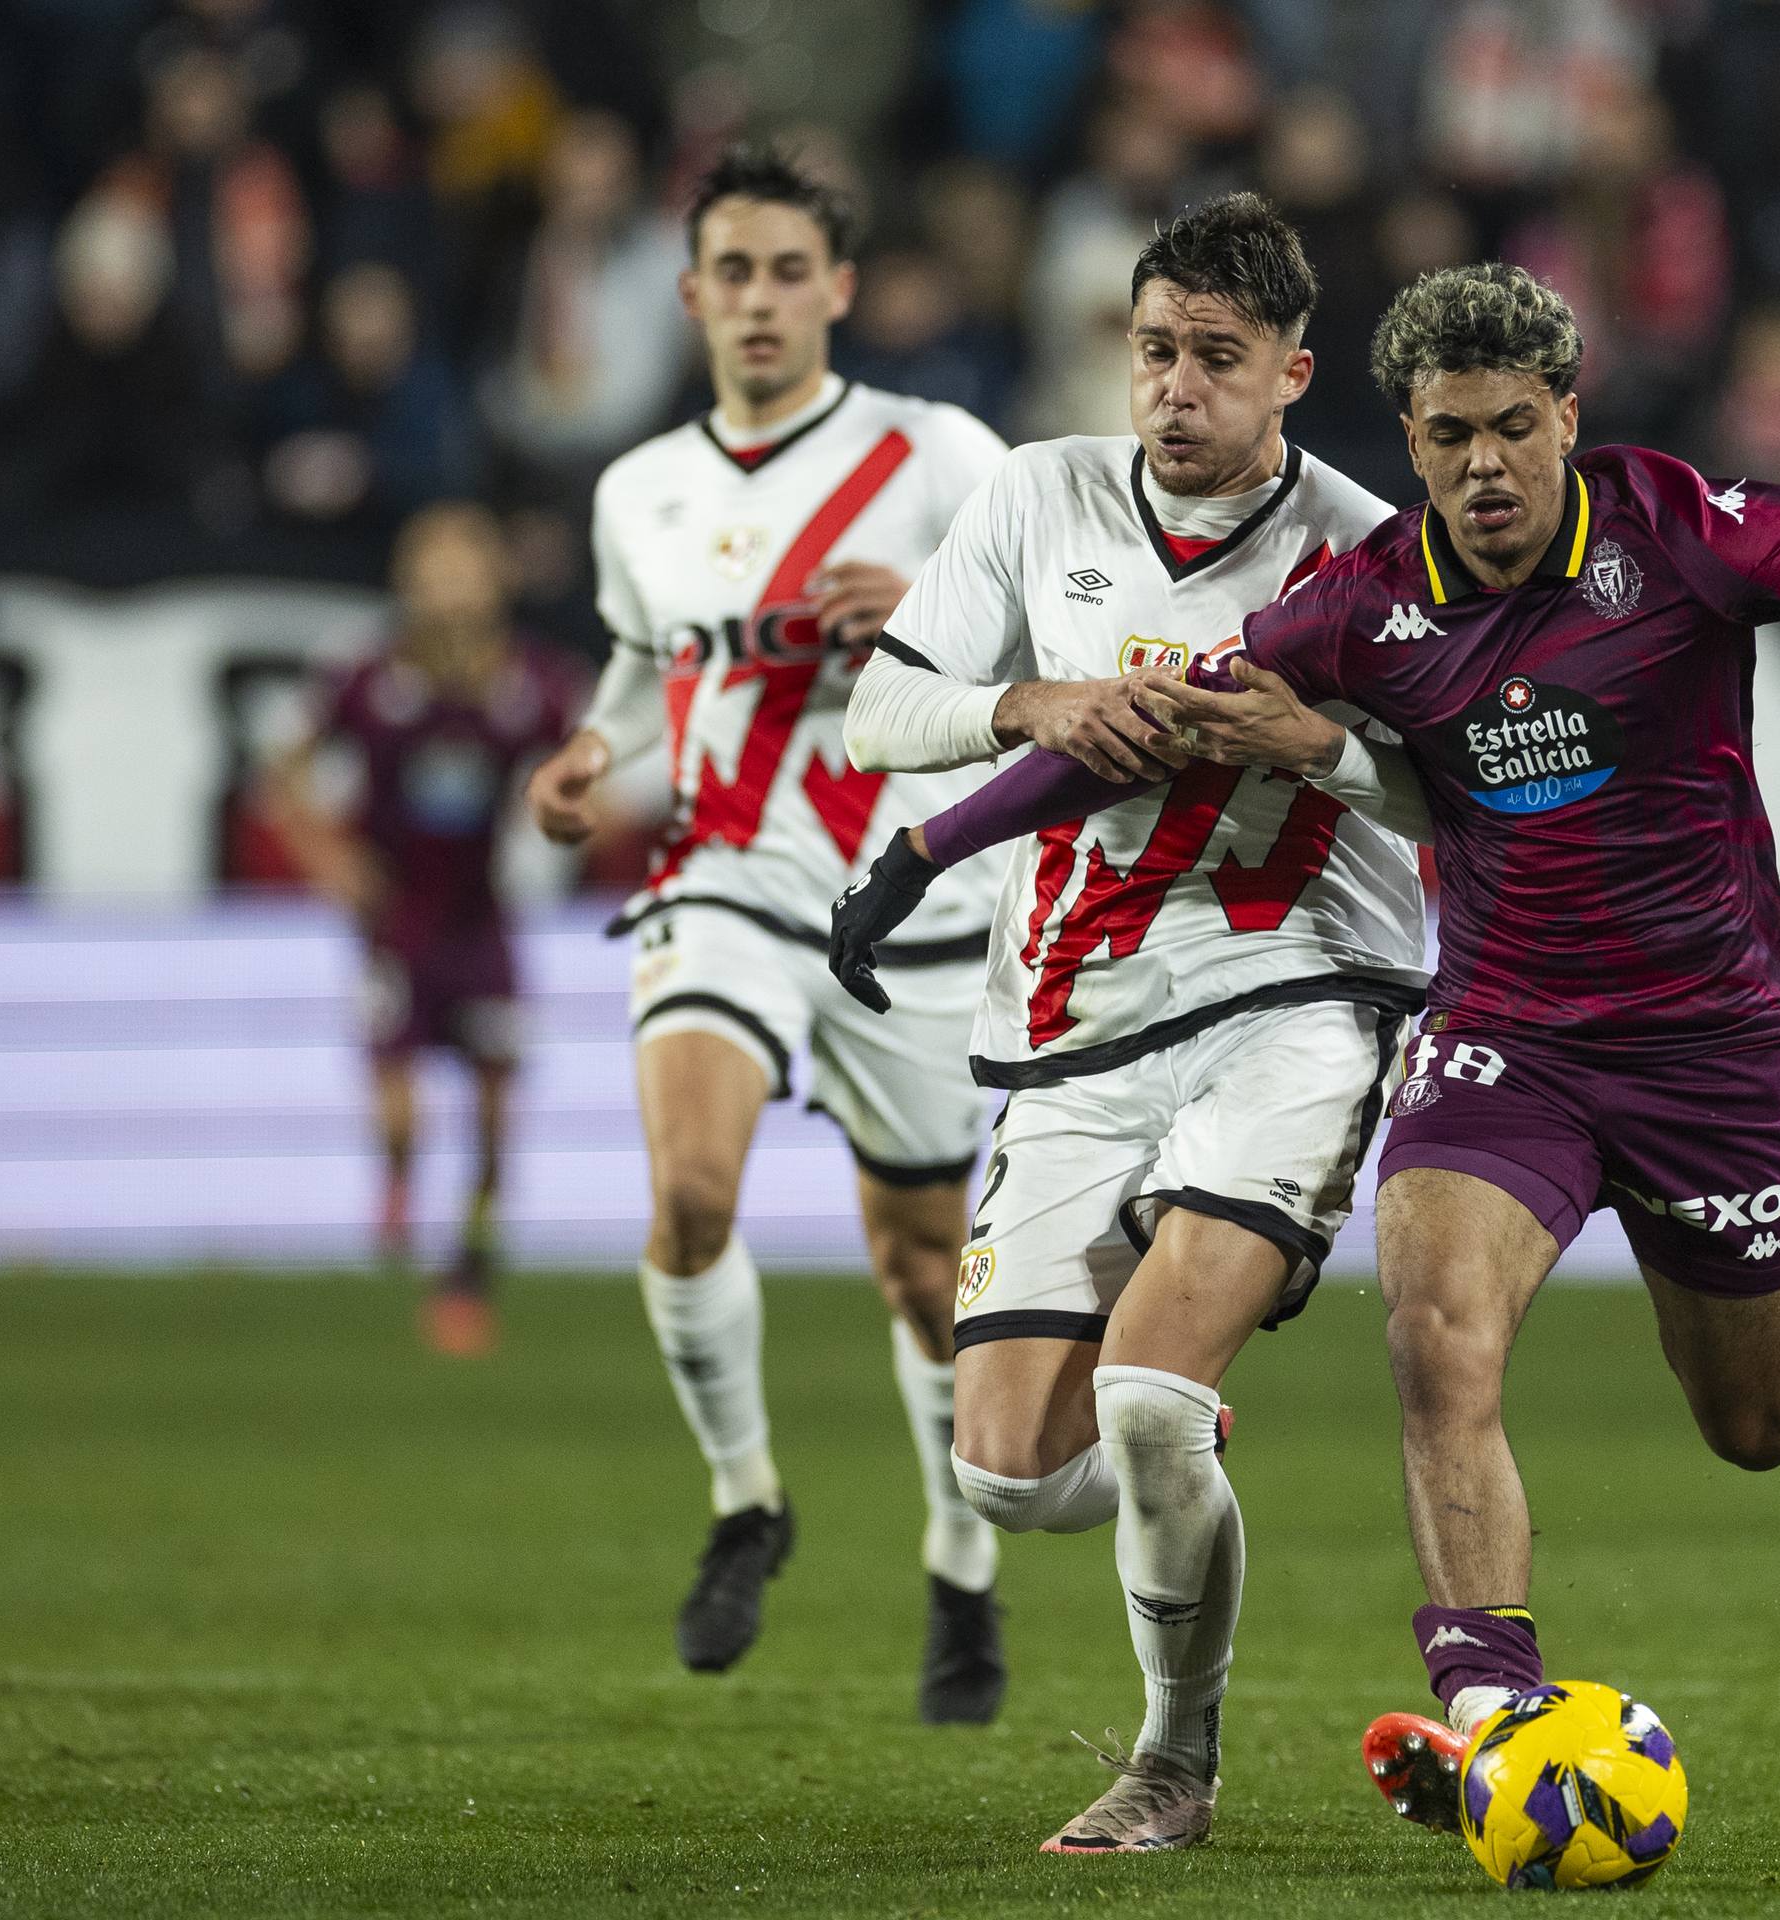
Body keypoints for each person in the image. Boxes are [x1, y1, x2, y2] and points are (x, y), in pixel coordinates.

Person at [828, 264, 1780, 1840]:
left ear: (1567, 416)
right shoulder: (1365, 599)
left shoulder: (1691, 528)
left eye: (1510, 428)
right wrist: (925, 854)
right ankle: (1492, 1709)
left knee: (1751, 1432)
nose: (1482, 467)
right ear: (1408, 446)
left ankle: (1502, 1692)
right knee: (1434, 1324)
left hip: (1711, 1051)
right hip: (1506, 1037)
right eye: (1445, 438)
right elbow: (1156, 723)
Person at [833, 192, 1424, 1854]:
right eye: (1154, 348)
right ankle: (1188, 1490)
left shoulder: (1370, 556)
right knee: (1014, 1473)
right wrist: (1029, 700)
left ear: (1291, 375)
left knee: (1152, 1399)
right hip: (1070, 1021)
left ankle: (1175, 1765)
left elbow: (1461, 804)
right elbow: (886, 709)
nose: (1172, 386)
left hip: (1290, 996)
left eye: (1214, 359)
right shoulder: (1038, 495)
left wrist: (1312, 741)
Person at [517, 145, 1018, 1712]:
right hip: (721, 875)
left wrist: (930, 607)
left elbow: (1058, 621)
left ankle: (960, 1563)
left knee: (927, 1269)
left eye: (787, 271)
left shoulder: (935, 453)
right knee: (686, 1192)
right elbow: (640, 683)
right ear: (689, 297)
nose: (757, 300)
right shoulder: (638, 491)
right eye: (730, 272)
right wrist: (594, 760)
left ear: (840, 291)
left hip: (909, 896)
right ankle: (748, 1499)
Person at [266, 502, 580, 1355]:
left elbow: (592, 773)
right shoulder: (368, 681)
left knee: (489, 1117)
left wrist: (569, 817)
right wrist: (329, 860)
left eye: (464, 567)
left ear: (496, 581)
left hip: (482, 928)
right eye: (433, 568)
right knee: (401, 1115)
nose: (448, 587)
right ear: (406, 581)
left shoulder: (532, 685)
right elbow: (284, 774)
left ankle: (468, 1272)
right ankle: (397, 1188)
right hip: (394, 929)